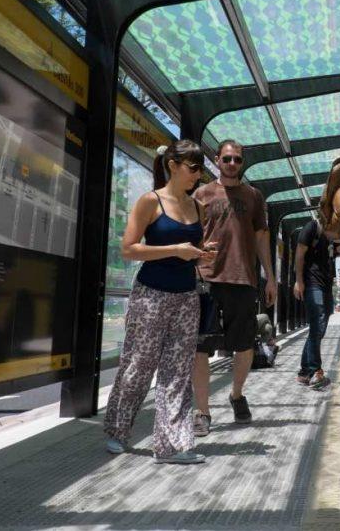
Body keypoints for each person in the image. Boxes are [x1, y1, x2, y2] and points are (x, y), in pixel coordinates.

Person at [103, 140, 216, 464]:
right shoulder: (149, 202)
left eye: (199, 169)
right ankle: (117, 430)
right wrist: (175, 250)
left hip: (186, 298)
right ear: (173, 165)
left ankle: (171, 445)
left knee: (177, 372)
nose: (197, 175)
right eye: (192, 168)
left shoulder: (198, 207)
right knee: (138, 366)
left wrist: (201, 251)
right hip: (150, 295)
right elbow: (128, 249)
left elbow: (189, 249)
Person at [191, 139, 277, 435]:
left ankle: (236, 394)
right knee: (200, 348)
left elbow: (262, 237)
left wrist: (271, 277)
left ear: (242, 163)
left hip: (243, 279)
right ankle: (202, 412)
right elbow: (191, 236)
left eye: (237, 160)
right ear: (217, 159)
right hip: (206, 279)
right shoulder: (201, 194)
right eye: (226, 159)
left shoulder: (254, 196)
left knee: (244, 346)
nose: (231, 164)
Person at [294, 219, 335, 390]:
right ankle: (316, 371)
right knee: (317, 326)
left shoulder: (335, 232)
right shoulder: (313, 226)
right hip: (312, 284)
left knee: (319, 329)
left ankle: (304, 373)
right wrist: (299, 281)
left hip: (326, 287)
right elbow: (299, 254)